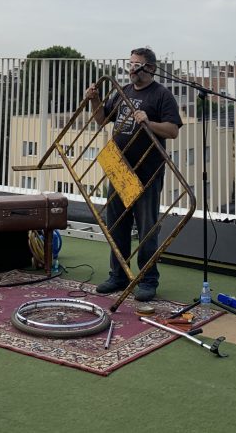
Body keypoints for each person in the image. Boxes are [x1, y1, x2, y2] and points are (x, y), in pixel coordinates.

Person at [85, 47, 182, 302]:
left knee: (147, 228)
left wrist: (149, 122)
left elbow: (173, 130)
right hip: (120, 167)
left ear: (150, 68)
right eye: (130, 64)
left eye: (136, 65)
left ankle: (148, 280)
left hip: (147, 169)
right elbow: (101, 119)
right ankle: (118, 275)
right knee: (117, 225)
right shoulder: (123, 91)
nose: (131, 69)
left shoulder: (162, 95)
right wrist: (94, 99)